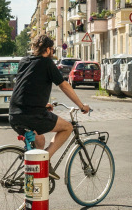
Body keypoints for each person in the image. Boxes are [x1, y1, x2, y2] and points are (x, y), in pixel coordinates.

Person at [9, 35, 90, 178]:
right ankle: (44, 162)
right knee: (67, 127)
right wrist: (81, 105)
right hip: (32, 115)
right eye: (52, 50)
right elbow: (64, 86)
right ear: (48, 49)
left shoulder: (24, 61)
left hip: (14, 114)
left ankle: (37, 175)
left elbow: (26, 85)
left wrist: (42, 104)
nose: (53, 53)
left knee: (40, 140)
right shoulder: (46, 63)